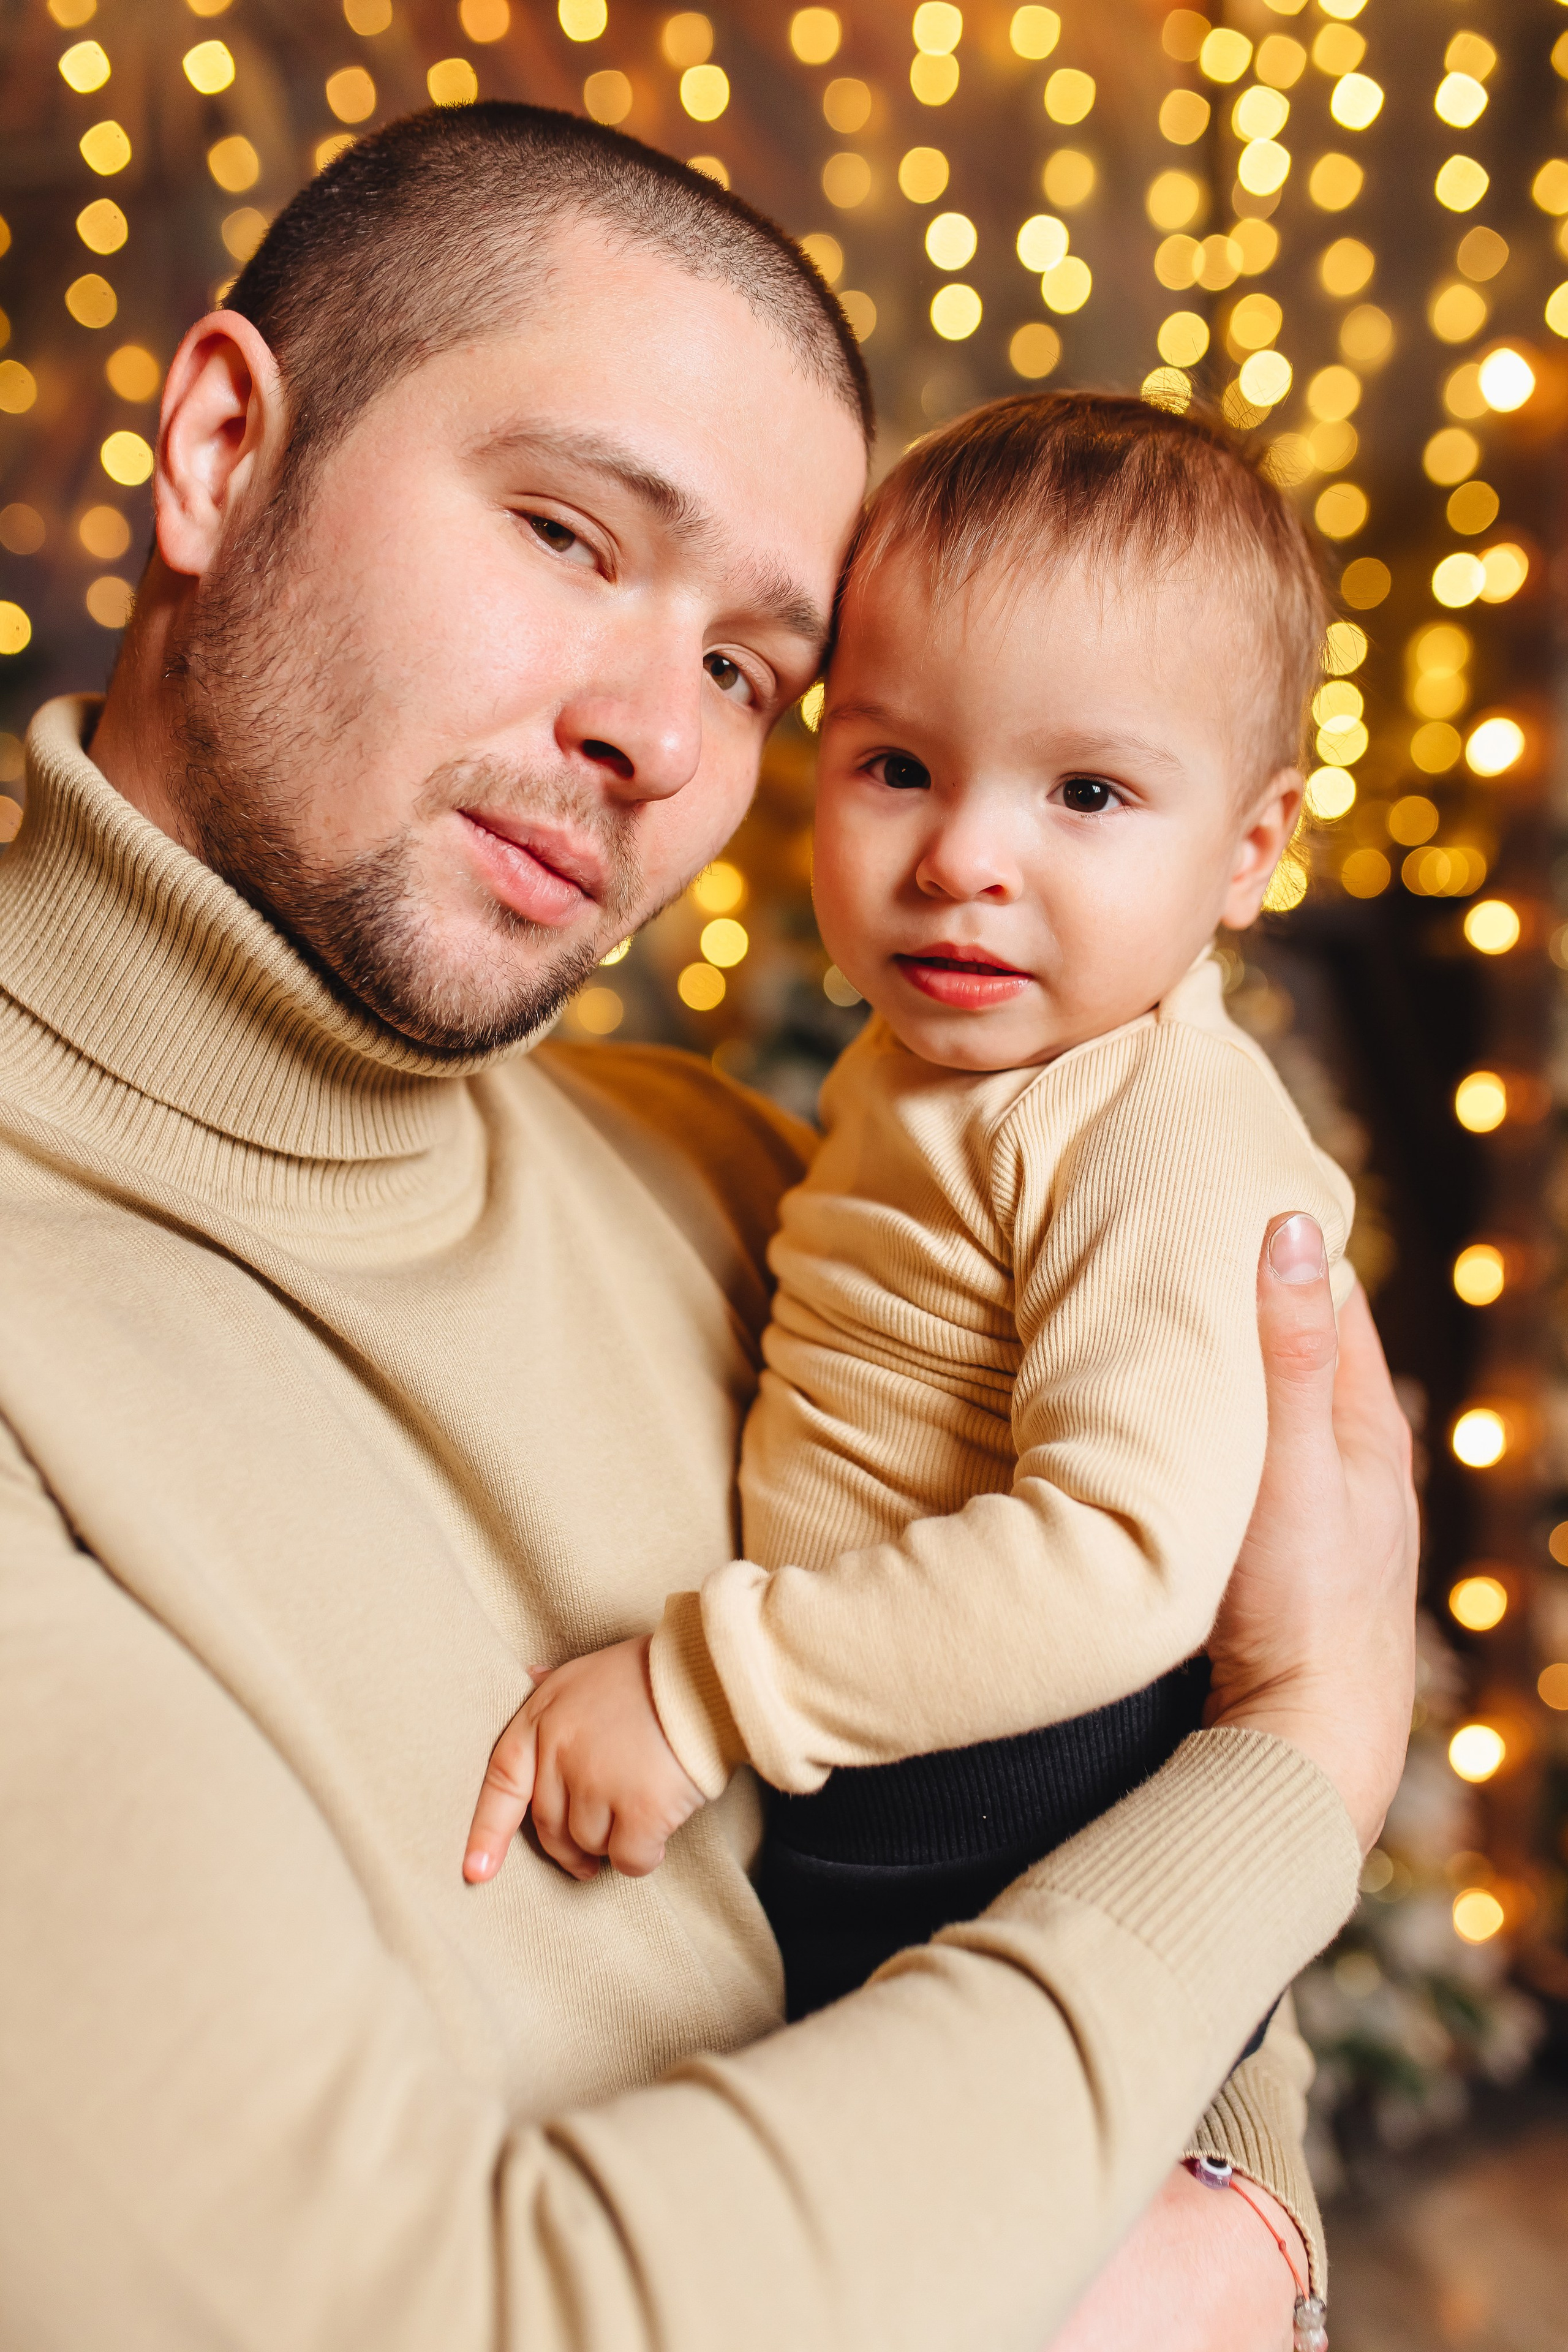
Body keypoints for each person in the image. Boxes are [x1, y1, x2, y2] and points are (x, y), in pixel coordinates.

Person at [0, 105, 1415, 2350]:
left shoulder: (755, 1185)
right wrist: (1303, 1769)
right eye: (567, 532)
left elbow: (1102, 1839)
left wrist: (1239, 2213)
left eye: (755, 668)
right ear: (217, 452)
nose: (659, 732)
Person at [463, 393, 1361, 2034]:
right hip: (887, 1746)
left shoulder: (1156, 1123)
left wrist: (702, 1692)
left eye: (1085, 793)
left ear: (1251, 850)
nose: (961, 858)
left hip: (1014, 1784)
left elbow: (1117, 1561)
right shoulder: (940, 1066)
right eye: (897, 766)